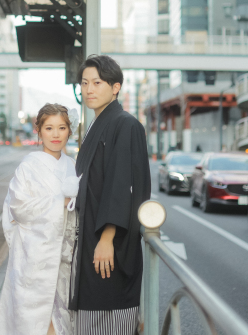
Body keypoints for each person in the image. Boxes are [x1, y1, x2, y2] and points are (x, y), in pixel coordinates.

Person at [70, 55, 151, 334]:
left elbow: (121, 185)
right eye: (84, 83)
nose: (89, 89)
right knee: (91, 313)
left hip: (109, 241)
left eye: (97, 83)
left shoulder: (125, 124)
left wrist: (107, 238)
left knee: (108, 312)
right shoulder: (98, 124)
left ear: (115, 87)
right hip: (91, 236)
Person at [0, 103, 80, 335]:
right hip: (34, 259)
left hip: (65, 258)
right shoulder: (28, 167)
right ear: (39, 131)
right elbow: (18, 207)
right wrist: (59, 203)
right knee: (35, 323)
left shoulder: (73, 166)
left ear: (69, 132)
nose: (55, 134)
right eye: (49, 128)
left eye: (61, 128)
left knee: (63, 323)